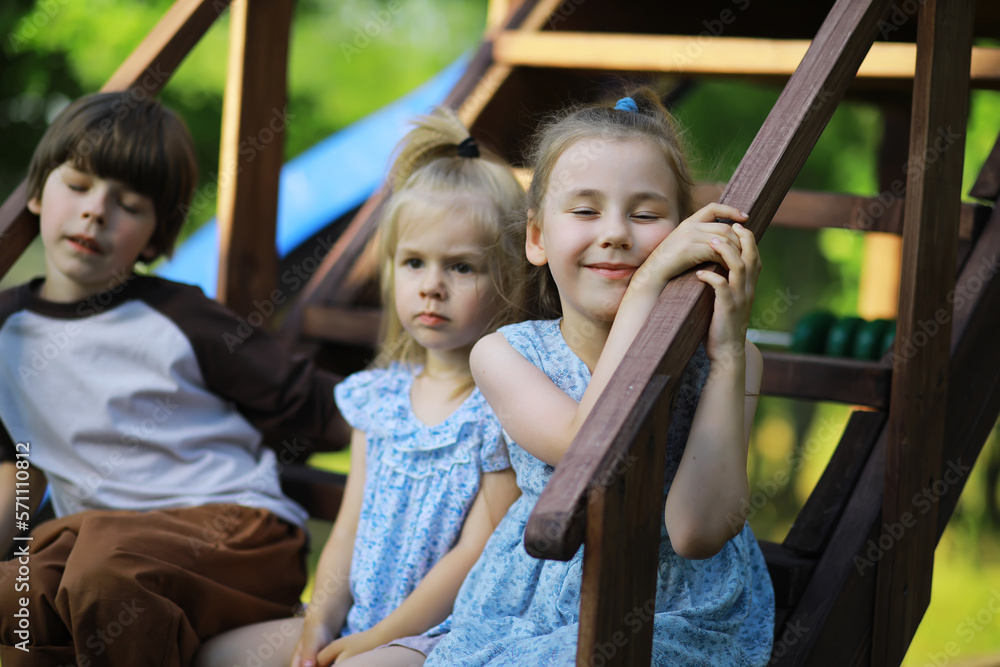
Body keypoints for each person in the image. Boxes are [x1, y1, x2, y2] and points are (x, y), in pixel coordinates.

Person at [418, 90, 776, 666]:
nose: (615, 233)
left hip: (677, 610)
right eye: (585, 211)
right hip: (531, 603)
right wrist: (648, 285)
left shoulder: (727, 361)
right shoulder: (505, 355)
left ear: (684, 233)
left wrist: (730, 354)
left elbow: (696, 532)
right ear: (537, 237)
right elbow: (592, 445)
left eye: (645, 214)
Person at [0, 91, 351, 666]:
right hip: (98, 540)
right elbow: (15, 474)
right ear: (38, 191)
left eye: (130, 204)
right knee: (21, 595)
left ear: (158, 236)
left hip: (238, 533)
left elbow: (323, 409)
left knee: (105, 571)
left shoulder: (182, 318)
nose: (96, 212)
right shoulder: (3, 334)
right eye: (79, 185)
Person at [193, 107, 526, 667]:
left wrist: (375, 640)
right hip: (359, 619)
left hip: (443, 633)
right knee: (214, 656)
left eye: (462, 268)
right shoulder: (380, 398)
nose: (432, 288)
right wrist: (320, 619)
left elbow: (475, 553)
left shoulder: (501, 409)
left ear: (509, 279)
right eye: (414, 262)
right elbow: (347, 531)